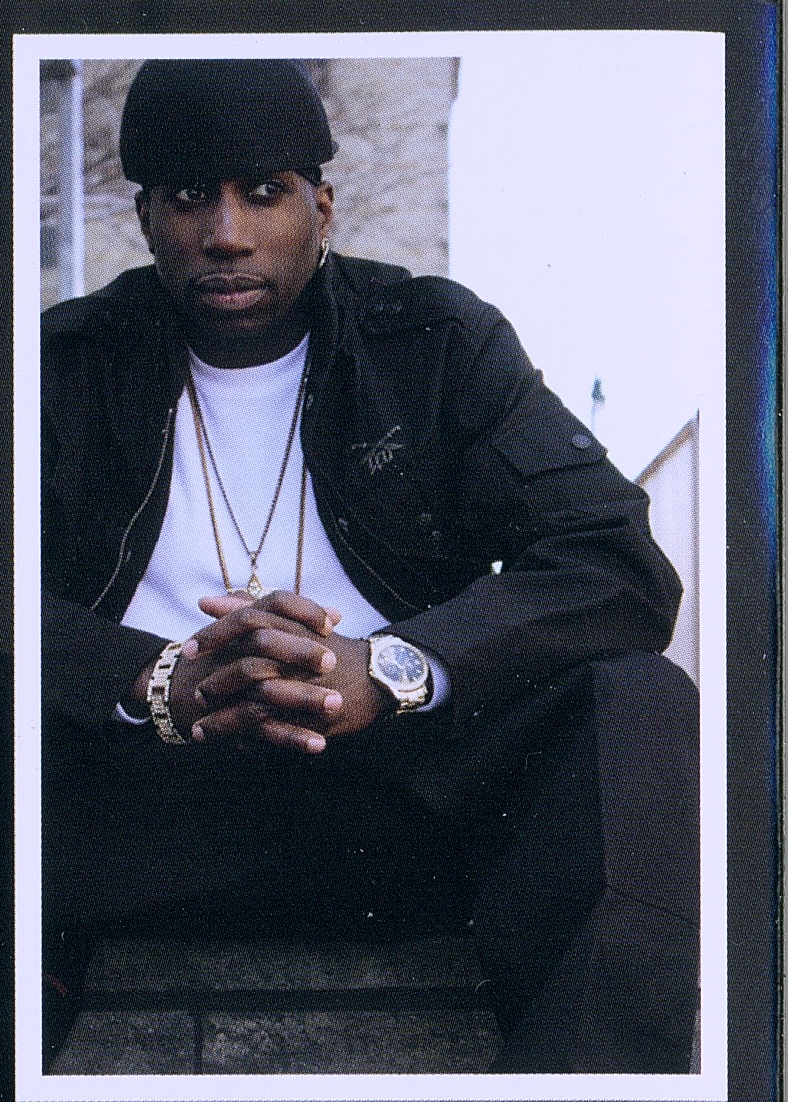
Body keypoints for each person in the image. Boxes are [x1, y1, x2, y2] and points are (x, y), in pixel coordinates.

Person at [41, 58, 699, 1074]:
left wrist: (393, 668)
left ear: (322, 208)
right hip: (137, 813)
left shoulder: (434, 341)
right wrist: (149, 677)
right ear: (145, 218)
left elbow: (614, 560)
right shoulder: (61, 362)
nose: (227, 233)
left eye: (265, 193)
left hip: (397, 807)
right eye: (190, 196)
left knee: (634, 699)